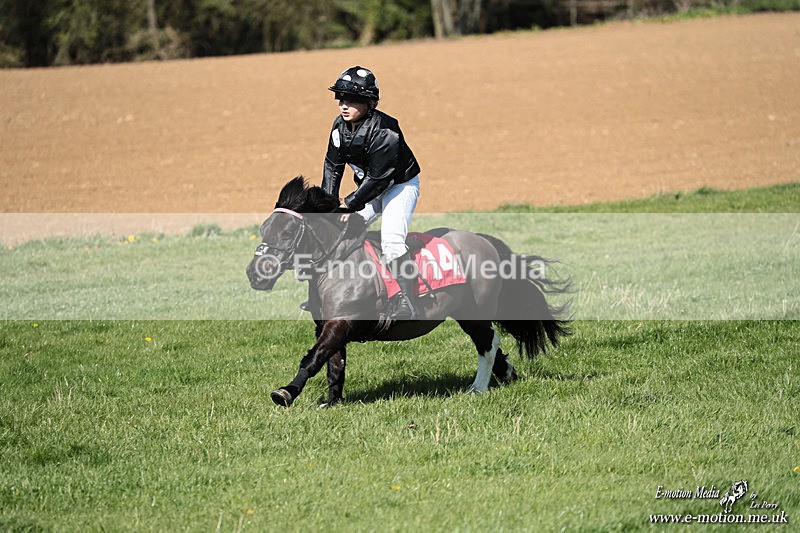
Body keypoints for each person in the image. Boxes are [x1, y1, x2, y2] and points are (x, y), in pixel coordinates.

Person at [322, 66, 421, 320]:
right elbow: (333, 166)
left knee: (392, 241)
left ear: (370, 103)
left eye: (352, 100)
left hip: (398, 186)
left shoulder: (386, 131)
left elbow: (379, 179)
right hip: (370, 188)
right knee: (339, 231)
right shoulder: (339, 127)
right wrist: (328, 207)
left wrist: (349, 204)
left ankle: (408, 302)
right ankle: (334, 293)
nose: (344, 105)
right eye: (340, 98)